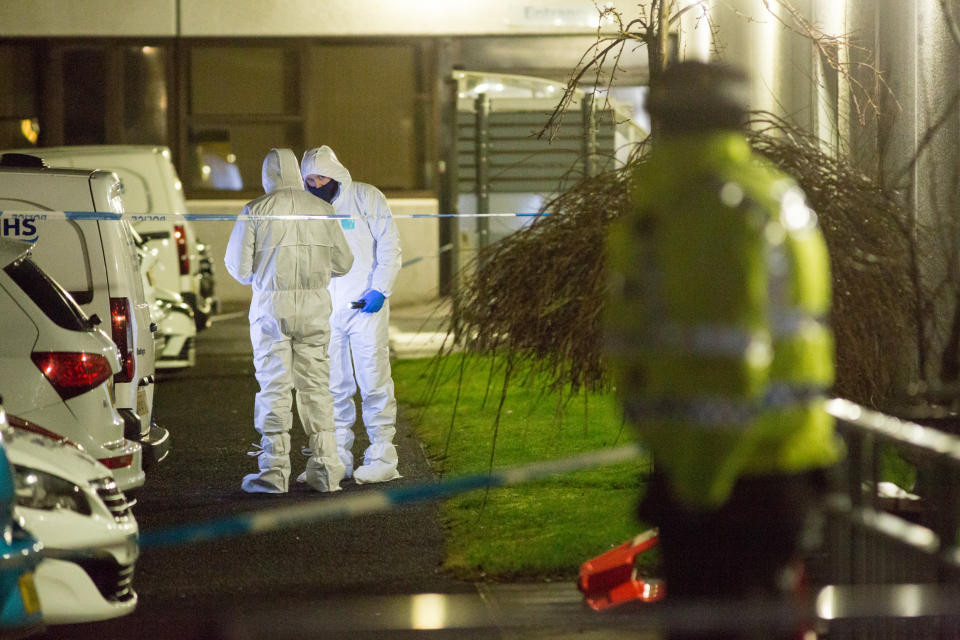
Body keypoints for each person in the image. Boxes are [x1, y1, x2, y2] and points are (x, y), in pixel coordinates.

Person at [603, 61, 841, 639]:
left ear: (662, 121)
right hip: (771, 467)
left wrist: (696, 490)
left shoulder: (706, 208)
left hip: (728, 483)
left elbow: (725, 360)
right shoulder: (767, 193)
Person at [225, 148, 353, 494]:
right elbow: (344, 263)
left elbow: (238, 269)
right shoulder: (323, 210)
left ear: (267, 176)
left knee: (274, 388)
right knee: (316, 387)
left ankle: (274, 471)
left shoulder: (254, 211)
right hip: (314, 310)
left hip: (271, 311)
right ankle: (326, 469)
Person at [300, 145, 403, 484]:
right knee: (333, 386)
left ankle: (382, 455)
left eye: (321, 177)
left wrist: (380, 289)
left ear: (336, 173)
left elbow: (389, 244)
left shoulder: (366, 197)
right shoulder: (306, 208)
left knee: (373, 379)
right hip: (327, 309)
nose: (316, 184)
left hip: (365, 307)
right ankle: (337, 456)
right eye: (310, 179)